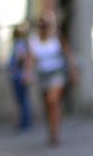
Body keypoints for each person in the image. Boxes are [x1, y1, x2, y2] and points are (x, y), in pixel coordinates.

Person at [29, 13, 76, 145]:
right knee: (46, 105)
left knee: (52, 101)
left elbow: (67, 53)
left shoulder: (56, 38)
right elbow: (30, 58)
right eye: (40, 26)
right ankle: (50, 129)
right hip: (42, 75)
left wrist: (72, 70)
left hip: (56, 73)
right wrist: (27, 72)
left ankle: (55, 131)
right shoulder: (34, 40)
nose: (43, 29)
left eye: (45, 26)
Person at [8, 24, 31, 130]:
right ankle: (24, 120)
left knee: (22, 99)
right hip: (20, 75)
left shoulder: (19, 45)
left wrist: (14, 65)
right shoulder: (22, 44)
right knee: (22, 99)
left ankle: (25, 122)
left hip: (19, 76)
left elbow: (18, 58)